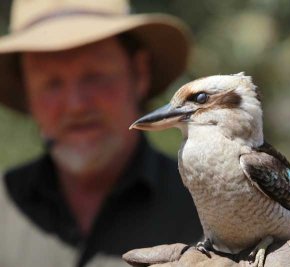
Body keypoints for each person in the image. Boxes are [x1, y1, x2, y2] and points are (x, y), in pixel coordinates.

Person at [0, 0, 202, 266]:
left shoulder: (209, 212)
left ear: (139, 73)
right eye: (51, 83)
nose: (76, 105)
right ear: (27, 92)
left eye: (94, 76)